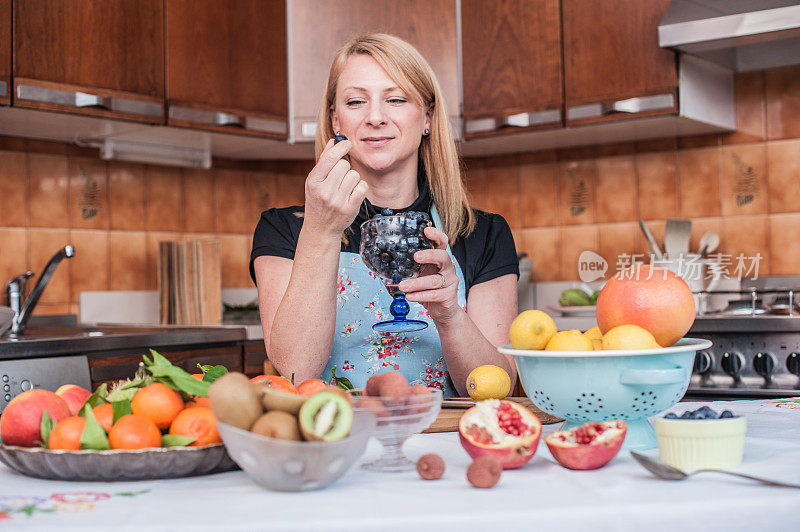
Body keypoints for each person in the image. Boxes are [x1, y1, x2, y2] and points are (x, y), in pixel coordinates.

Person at [250, 33, 518, 397]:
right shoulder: (283, 230)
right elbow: (295, 369)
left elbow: (499, 384)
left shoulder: (484, 233)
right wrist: (321, 230)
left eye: (395, 99)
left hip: (445, 443)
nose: (375, 117)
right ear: (336, 121)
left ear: (427, 116)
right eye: (356, 101)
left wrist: (449, 315)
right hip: (334, 437)